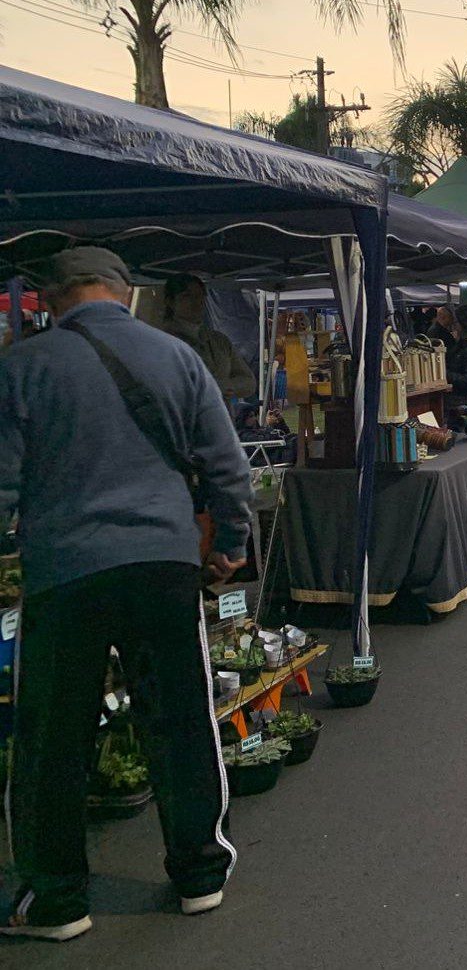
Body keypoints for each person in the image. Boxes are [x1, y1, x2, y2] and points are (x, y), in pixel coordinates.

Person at [0, 247, 253, 940]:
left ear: (52, 299)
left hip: (64, 572)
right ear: (124, 291)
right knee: (180, 718)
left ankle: (57, 901)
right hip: (163, 562)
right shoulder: (177, 358)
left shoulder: (23, 366)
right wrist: (230, 542)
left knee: (53, 736)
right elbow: (226, 462)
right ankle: (200, 873)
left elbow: (2, 484)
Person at [159, 274, 255, 399]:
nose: (196, 302)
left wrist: (224, 386)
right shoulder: (162, 343)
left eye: (200, 296)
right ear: (170, 301)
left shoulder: (219, 341)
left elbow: (249, 383)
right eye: (187, 296)